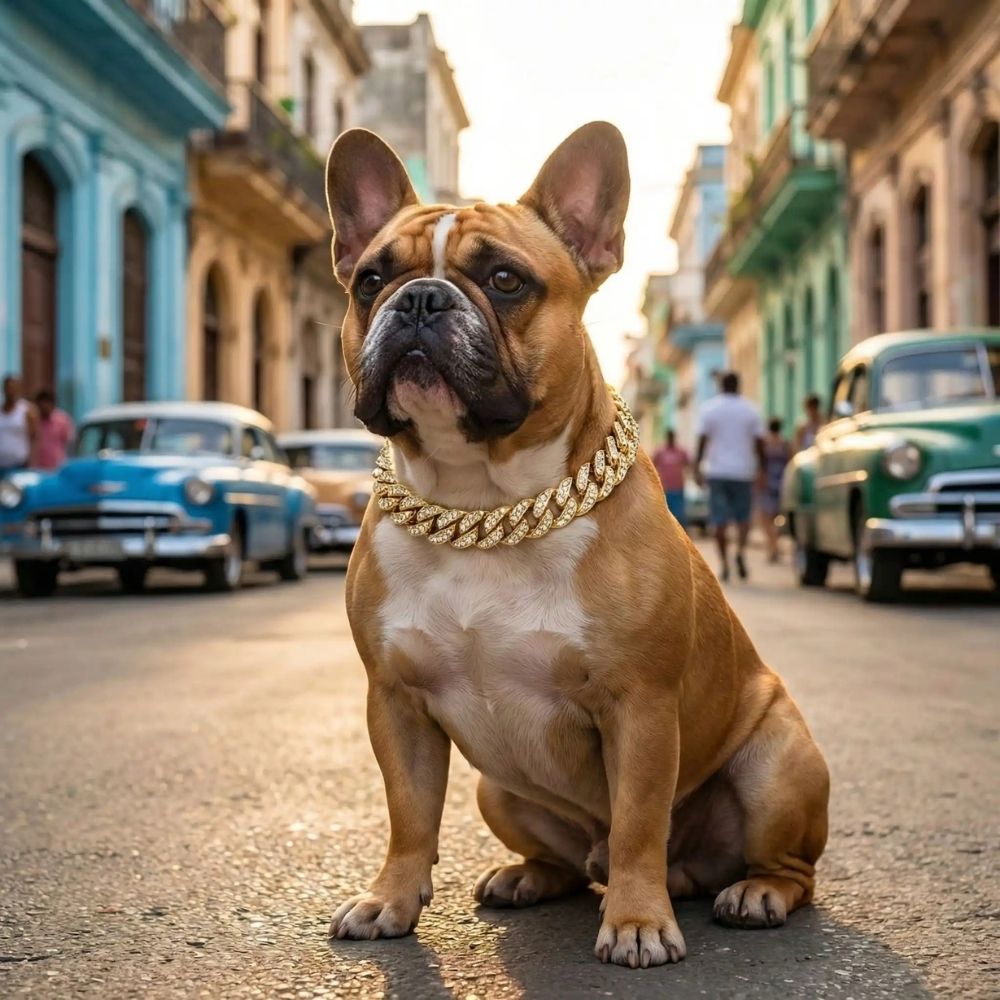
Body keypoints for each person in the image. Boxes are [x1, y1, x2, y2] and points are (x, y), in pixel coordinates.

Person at [694, 372, 765, 582]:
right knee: (743, 518)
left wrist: (697, 467)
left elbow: (702, 441)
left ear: (721, 386)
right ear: (738, 386)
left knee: (719, 520)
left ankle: (724, 563)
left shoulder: (710, 409)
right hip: (743, 471)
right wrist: (763, 470)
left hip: (717, 472)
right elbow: (760, 444)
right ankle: (741, 552)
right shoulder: (751, 410)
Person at [757, 417, 790, 563]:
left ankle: (773, 546)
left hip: (767, 482)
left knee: (765, 519)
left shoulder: (765, 443)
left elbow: (759, 463)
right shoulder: (784, 443)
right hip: (781, 482)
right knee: (777, 517)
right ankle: (774, 546)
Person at [651, 428, 689, 528]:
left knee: (679, 515)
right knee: (666, 515)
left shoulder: (681, 451)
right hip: (665, 489)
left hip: (678, 488)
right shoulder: (660, 451)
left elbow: (688, 464)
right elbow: (652, 464)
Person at [0, 374, 36, 477]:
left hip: (19, 465)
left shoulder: (27, 410)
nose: (11, 391)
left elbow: (34, 438)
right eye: (8, 388)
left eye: (14, 388)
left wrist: (31, 461)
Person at [34, 389, 75, 470]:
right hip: (38, 467)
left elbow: (69, 442)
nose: (44, 407)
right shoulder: (34, 421)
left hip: (57, 466)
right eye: (41, 404)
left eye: (46, 403)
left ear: (52, 403)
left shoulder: (62, 420)